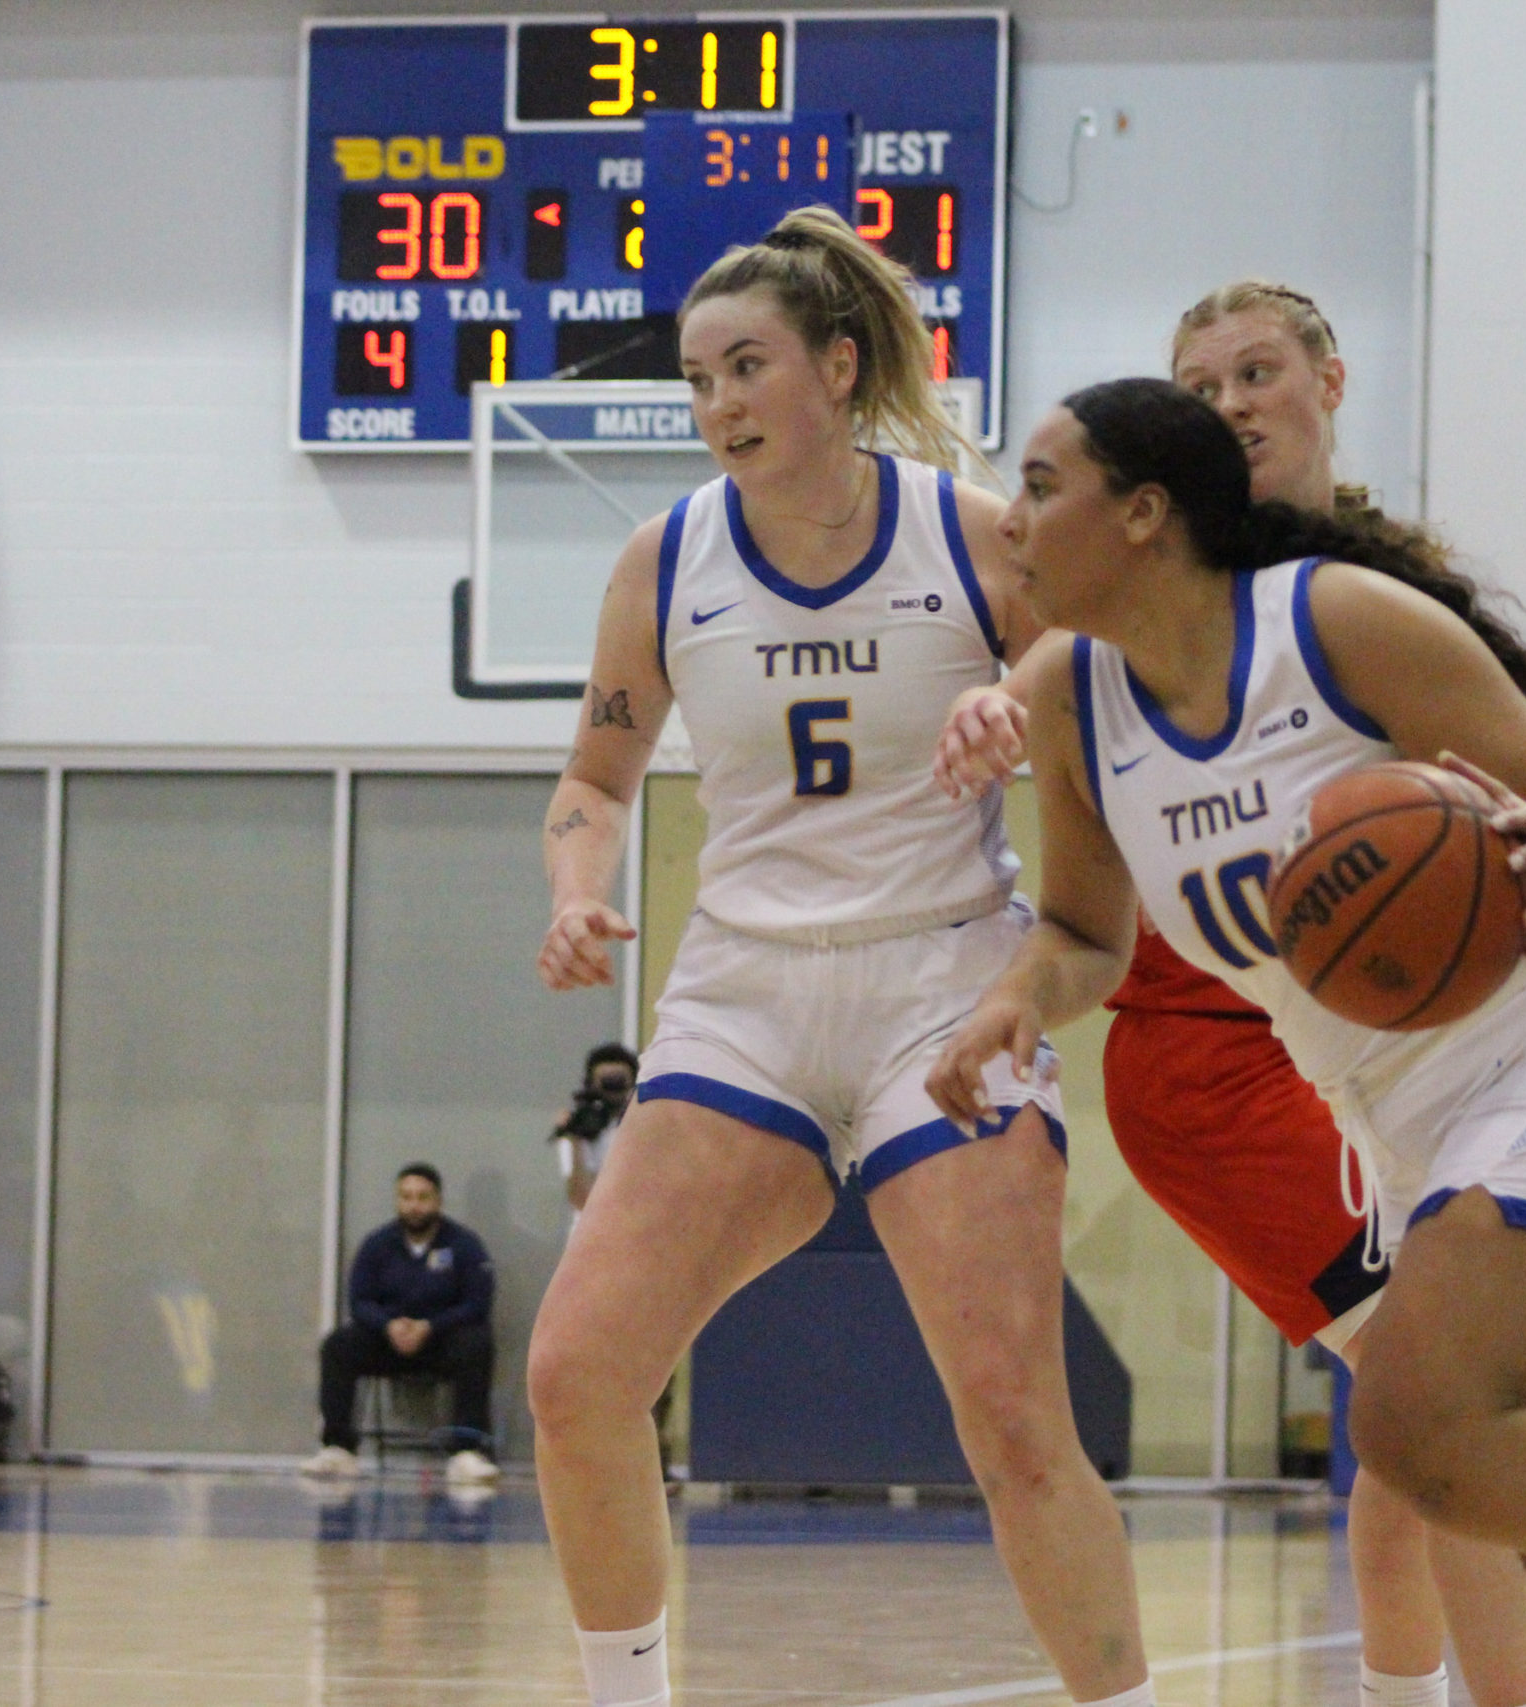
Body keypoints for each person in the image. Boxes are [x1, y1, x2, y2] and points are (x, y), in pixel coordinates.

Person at [929, 379, 1526, 1707]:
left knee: (1408, 1417)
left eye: (1043, 486)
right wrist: (1011, 1000)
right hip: (1398, 1117)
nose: (1014, 522)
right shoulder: (1068, 695)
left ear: (1146, 513)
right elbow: (1085, 935)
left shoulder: (1332, 622)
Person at [529, 206, 1159, 1707]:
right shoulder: (662, 557)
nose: (720, 404)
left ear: (838, 363)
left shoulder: (977, 531)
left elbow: (1121, 654)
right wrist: (572, 887)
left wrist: (1026, 688)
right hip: (742, 994)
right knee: (575, 1373)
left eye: (747, 366)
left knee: (1010, 1416)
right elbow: (597, 779)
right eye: (696, 379)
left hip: (945, 981)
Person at [304, 1162, 499, 1486]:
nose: (414, 1205)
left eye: (423, 1197)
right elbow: (359, 1301)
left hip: (441, 1341)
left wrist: (430, 1326)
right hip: (388, 1341)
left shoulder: (464, 1245)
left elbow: (477, 1304)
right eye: (406, 1197)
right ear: (397, 1200)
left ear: (438, 1201)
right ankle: (338, 1448)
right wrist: (389, 1326)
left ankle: (467, 1451)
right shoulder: (377, 1244)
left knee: (477, 1343)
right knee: (338, 1345)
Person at [552, 1042, 640, 1219]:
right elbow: (581, 1199)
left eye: (619, 1081)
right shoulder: (580, 1128)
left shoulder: (645, 1127)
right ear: (591, 1084)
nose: (613, 1088)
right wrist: (574, 1140)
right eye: (606, 1082)